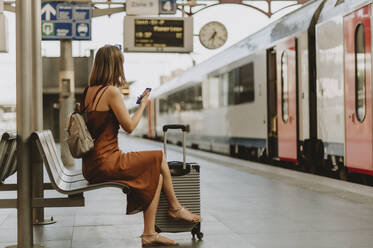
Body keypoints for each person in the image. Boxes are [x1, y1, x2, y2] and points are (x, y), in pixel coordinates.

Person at [81, 45, 201, 247]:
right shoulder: (111, 92)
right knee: (159, 157)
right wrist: (143, 106)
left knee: (156, 171)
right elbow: (129, 126)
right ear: (116, 66)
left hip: (92, 164)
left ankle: (150, 234)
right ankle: (175, 208)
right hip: (107, 161)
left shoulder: (88, 91)